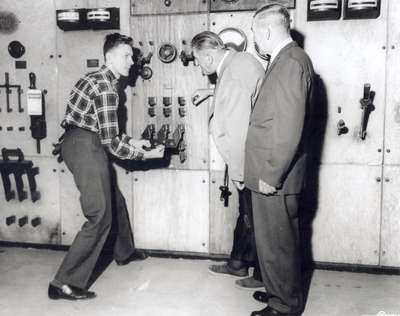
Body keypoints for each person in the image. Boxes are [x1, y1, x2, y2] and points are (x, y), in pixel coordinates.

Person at [48, 33, 165, 301]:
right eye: (126, 55)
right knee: (99, 214)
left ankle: (124, 252)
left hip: (80, 141)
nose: (132, 60)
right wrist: (144, 156)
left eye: (132, 55)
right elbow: (110, 142)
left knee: (115, 198)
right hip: (85, 147)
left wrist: (136, 142)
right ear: (109, 57)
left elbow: (102, 130)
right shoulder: (105, 87)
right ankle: (62, 283)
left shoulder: (98, 79)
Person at [244, 4, 315, 316]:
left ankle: (284, 306)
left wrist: (271, 174)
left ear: (266, 31)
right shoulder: (288, 60)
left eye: (255, 33)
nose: (255, 39)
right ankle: (279, 292)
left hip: (275, 174)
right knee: (277, 240)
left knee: (278, 243)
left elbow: (288, 128)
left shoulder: (289, 63)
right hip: (274, 170)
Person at [191, 31, 264, 289]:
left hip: (248, 159)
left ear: (209, 56)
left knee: (256, 217)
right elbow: (235, 98)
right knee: (247, 212)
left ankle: (263, 276)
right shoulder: (238, 62)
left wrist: (239, 172)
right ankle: (238, 262)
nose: (200, 69)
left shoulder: (233, 73)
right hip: (251, 155)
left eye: (199, 62)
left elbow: (237, 129)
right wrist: (211, 92)